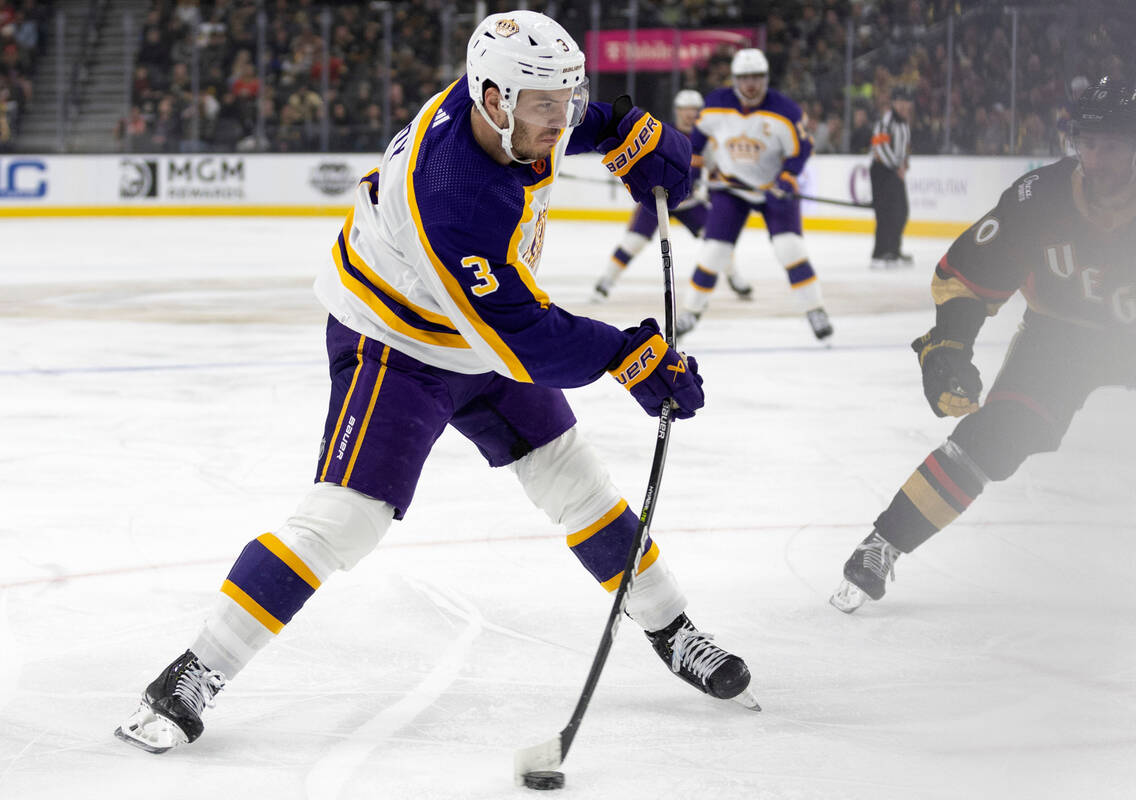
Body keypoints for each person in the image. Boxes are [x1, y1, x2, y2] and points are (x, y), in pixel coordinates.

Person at [115, 10, 757, 755]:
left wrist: (623, 127)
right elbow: (521, 338)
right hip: (395, 343)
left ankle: (671, 626)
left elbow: (568, 122)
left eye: (568, 99)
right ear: (491, 99)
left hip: (476, 335)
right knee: (345, 520)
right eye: (546, 105)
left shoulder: (511, 112)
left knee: (577, 484)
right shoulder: (451, 187)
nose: (561, 120)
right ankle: (196, 669)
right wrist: (629, 356)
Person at [830, 77, 1136, 613]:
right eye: (1088, 144)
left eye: (1113, 146)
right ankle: (882, 543)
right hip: (1064, 338)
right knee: (995, 435)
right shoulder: (1038, 199)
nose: (1097, 161)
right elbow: (966, 276)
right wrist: (950, 348)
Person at [677, 47, 832, 341]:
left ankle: (815, 309)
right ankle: (690, 312)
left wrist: (786, 178)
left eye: (757, 77)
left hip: (772, 189)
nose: (751, 84)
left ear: (766, 78)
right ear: (734, 79)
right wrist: (693, 176)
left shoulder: (785, 111)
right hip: (730, 189)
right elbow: (695, 145)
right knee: (714, 253)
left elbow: (801, 150)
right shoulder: (715, 106)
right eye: (745, 77)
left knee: (791, 249)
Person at [590, 89, 739, 302]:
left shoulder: (708, 141)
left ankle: (735, 277)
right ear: (677, 111)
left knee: (717, 239)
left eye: (694, 111)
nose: (689, 115)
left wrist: (714, 184)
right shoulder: (662, 133)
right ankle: (606, 280)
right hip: (656, 201)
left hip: (690, 201)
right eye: (684, 110)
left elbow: (718, 172)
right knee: (634, 241)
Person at [869, 86, 914, 269]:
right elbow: (880, 148)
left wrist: (905, 163)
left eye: (906, 103)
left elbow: (904, 148)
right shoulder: (885, 121)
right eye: (901, 102)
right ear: (894, 103)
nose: (904, 106)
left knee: (901, 211)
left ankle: (894, 250)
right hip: (882, 172)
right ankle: (880, 253)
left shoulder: (904, 123)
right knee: (885, 213)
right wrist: (898, 166)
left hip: (895, 172)